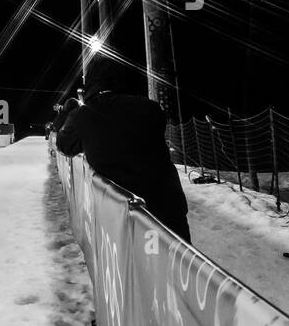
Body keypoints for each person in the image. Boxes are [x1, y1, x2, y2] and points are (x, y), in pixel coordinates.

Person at [55, 57, 191, 242]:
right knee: (179, 267)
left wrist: (66, 112)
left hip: (124, 221)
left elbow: (64, 145)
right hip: (168, 211)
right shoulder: (150, 108)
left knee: (142, 269)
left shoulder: (83, 116)